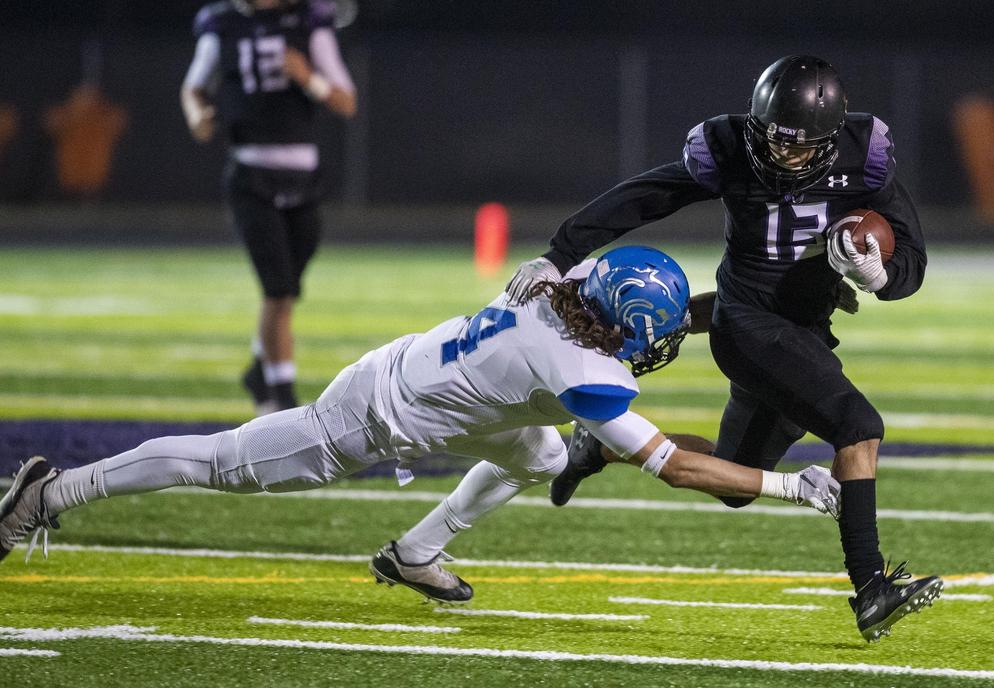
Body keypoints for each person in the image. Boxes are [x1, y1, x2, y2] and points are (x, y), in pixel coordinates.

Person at [0, 247, 841, 608]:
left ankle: (416, 553)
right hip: (373, 416)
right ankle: (52, 491)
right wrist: (789, 486)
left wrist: (752, 310)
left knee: (541, 451)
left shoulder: (573, 283)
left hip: (434, 378)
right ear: (614, 326)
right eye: (646, 338)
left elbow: (641, 313)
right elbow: (681, 469)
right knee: (220, 464)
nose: (654, 348)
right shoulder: (583, 374)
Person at [504, 56, 941, 642]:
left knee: (738, 480)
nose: (781, 155)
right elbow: (646, 196)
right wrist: (559, 254)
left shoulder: (865, 156)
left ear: (830, 141)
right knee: (858, 426)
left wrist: (878, 275)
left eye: (798, 146)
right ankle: (871, 588)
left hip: (803, 330)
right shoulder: (729, 148)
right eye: (772, 140)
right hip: (747, 325)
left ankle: (599, 449)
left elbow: (911, 259)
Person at [180, 0, 357, 415]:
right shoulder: (222, 24)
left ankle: (262, 368)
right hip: (250, 176)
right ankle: (283, 398)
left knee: (288, 290)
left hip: (304, 179)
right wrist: (196, 115)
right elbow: (193, 87)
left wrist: (307, 78)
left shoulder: (309, 24)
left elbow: (346, 101)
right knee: (277, 291)